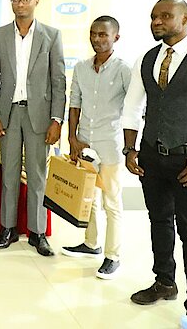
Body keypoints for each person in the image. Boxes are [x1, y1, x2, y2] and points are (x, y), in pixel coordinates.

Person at [122, 0, 187, 329]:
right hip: (152, 157)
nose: (157, 22)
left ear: (186, 18)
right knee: (159, 221)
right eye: (153, 17)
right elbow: (132, 106)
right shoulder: (147, 58)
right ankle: (164, 282)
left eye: (165, 16)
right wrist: (130, 149)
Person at [0, 0, 65, 257]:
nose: (21, 4)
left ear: (36, 2)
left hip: (39, 116)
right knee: (8, 175)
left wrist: (57, 119)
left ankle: (37, 232)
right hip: (8, 114)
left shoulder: (51, 35)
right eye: (16, 0)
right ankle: (7, 229)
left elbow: (58, 80)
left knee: (37, 176)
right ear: (11, 3)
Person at [63, 16, 131, 279]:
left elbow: (135, 107)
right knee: (89, 197)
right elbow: (74, 103)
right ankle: (91, 244)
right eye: (93, 34)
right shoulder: (81, 67)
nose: (97, 39)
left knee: (111, 201)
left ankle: (113, 256)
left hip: (110, 144)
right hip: (84, 141)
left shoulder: (123, 70)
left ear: (116, 37)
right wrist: (72, 138)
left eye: (103, 34)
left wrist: (131, 145)